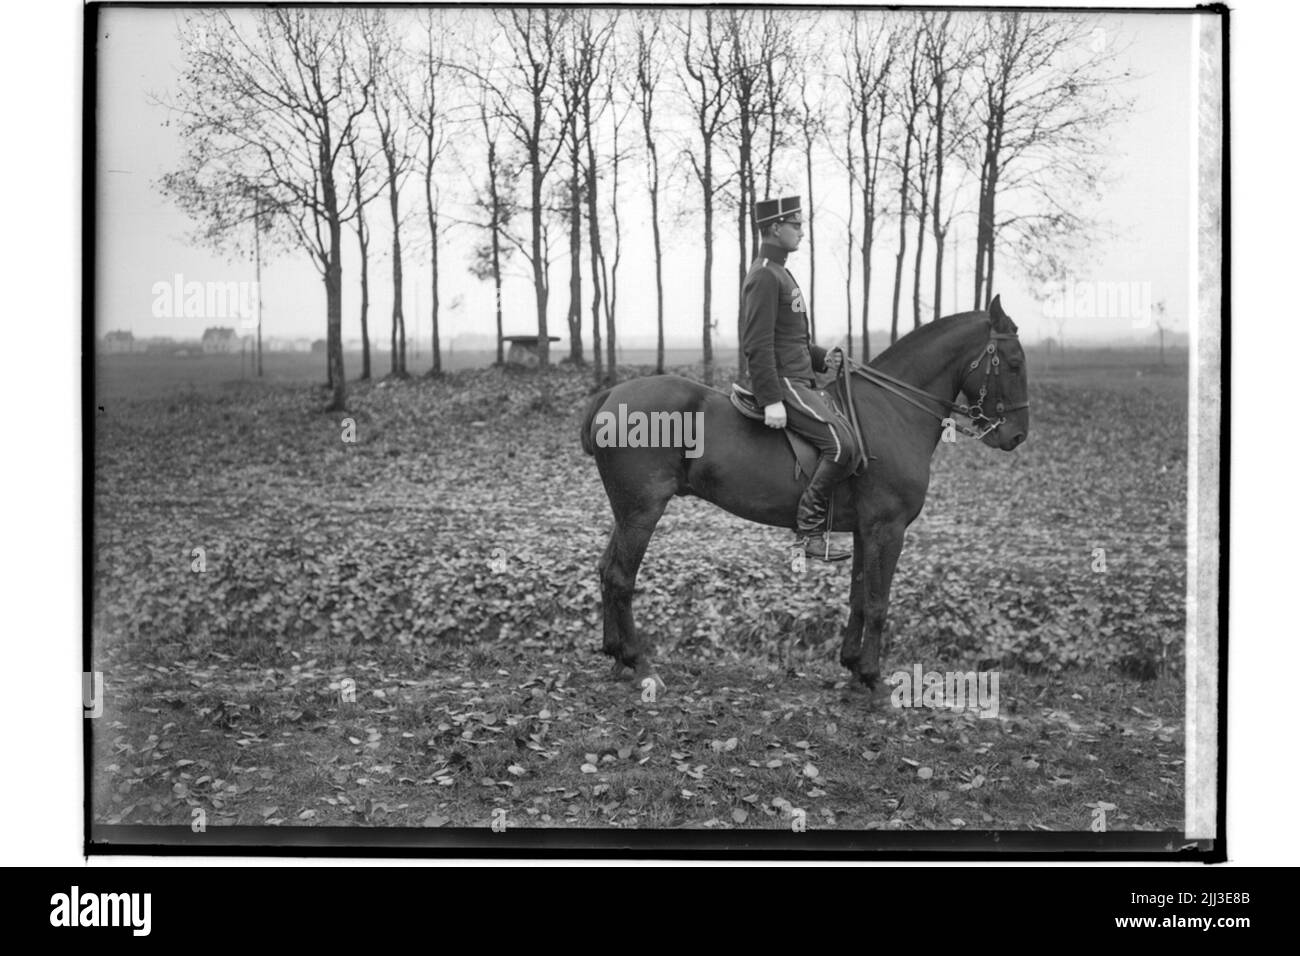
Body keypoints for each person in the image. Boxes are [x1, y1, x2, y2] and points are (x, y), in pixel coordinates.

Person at [741, 195, 858, 561]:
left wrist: (825, 358)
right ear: (776, 227)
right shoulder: (764, 274)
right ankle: (808, 531)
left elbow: (792, 340)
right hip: (785, 382)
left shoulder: (781, 272)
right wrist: (770, 397)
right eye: (796, 225)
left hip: (799, 377)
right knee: (841, 446)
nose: (802, 233)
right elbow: (757, 343)